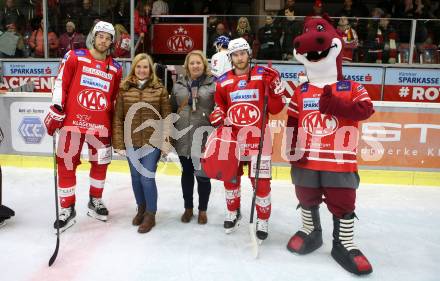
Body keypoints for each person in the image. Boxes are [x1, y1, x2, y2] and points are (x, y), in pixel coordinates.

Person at [286, 15, 374, 275]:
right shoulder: (301, 91)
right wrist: (291, 149)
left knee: (343, 201)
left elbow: (366, 110)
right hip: (306, 160)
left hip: (339, 161)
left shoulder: (350, 86)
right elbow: (292, 120)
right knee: (305, 196)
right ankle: (311, 231)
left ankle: (344, 243)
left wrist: (336, 104)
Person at [43, 21, 122, 232]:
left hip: (101, 125)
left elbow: (114, 99)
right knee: (66, 163)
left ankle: (95, 200)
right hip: (73, 123)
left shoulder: (115, 67)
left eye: (108, 38)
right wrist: (57, 106)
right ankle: (67, 208)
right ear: (93, 37)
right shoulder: (75, 56)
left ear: (111, 42)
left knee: (101, 163)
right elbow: (61, 82)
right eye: (100, 36)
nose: (103, 40)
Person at [208, 38, 287, 241]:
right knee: (230, 179)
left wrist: (277, 85)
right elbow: (220, 107)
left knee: (261, 183)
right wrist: (217, 115)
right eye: (235, 54)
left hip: (259, 138)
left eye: (243, 53)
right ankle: (233, 211)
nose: (240, 57)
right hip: (232, 139)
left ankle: (262, 219)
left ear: (249, 54)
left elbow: (277, 108)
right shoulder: (223, 81)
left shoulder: (263, 76)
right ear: (230, 57)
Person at [112, 53, 171, 233]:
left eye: (145, 67)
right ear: (134, 68)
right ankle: (141, 208)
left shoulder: (160, 89)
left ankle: (150, 214)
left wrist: (166, 143)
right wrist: (119, 143)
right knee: (136, 179)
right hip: (132, 142)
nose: (142, 70)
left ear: (150, 69)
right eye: (139, 66)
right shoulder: (125, 89)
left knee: (147, 178)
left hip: (152, 143)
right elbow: (118, 118)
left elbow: (167, 119)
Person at [170, 50, 216, 225]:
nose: (195, 66)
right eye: (192, 63)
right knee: (187, 173)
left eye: (198, 62)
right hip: (183, 137)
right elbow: (173, 110)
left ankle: (202, 210)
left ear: (204, 64)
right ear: (187, 66)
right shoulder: (178, 85)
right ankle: (188, 208)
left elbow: (219, 108)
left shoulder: (213, 84)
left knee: (203, 176)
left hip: (204, 138)